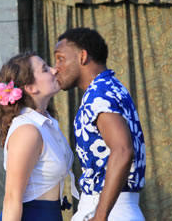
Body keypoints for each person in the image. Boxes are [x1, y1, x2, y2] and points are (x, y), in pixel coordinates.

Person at [54, 28, 146, 221]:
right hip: (114, 208)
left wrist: (101, 215)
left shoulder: (99, 94)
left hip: (110, 211)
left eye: (60, 58)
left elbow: (122, 150)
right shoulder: (110, 87)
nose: (56, 68)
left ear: (83, 56)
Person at [0, 52, 79, 221]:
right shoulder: (27, 130)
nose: (54, 71)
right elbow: (12, 198)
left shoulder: (46, 123)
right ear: (30, 88)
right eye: (44, 69)